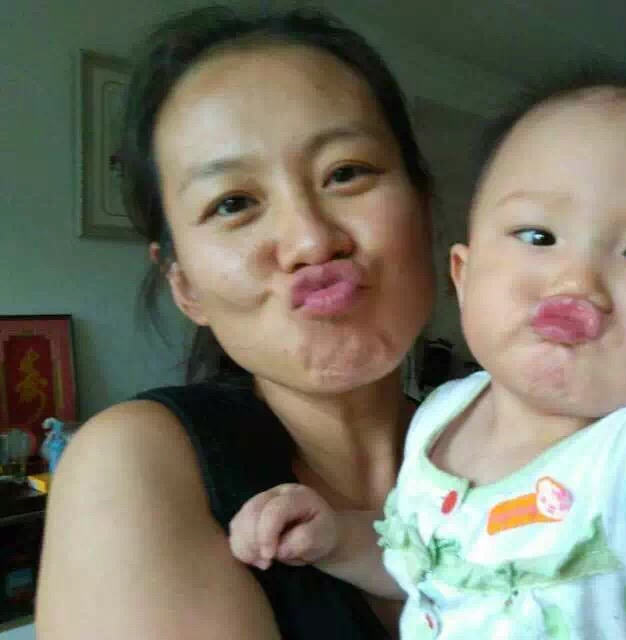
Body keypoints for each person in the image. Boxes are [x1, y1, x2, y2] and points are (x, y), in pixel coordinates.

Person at [230, 66, 626, 640]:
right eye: (537, 235)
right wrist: (337, 537)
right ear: (464, 277)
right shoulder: (440, 417)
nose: (576, 279)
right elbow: (428, 565)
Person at [36, 6, 437, 639]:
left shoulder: (523, 444)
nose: (310, 241)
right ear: (185, 285)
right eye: (233, 204)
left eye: (347, 173)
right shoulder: (136, 465)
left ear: (424, 207)